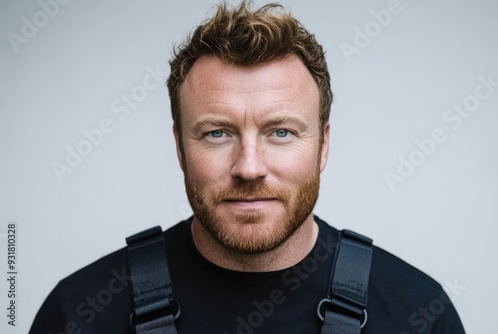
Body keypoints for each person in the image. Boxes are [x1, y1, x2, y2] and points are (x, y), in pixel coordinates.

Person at [30, 2, 466, 333]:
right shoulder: (77, 312)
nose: (249, 167)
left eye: (281, 132)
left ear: (324, 146)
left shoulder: (419, 315)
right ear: (180, 148)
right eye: (218, 133)